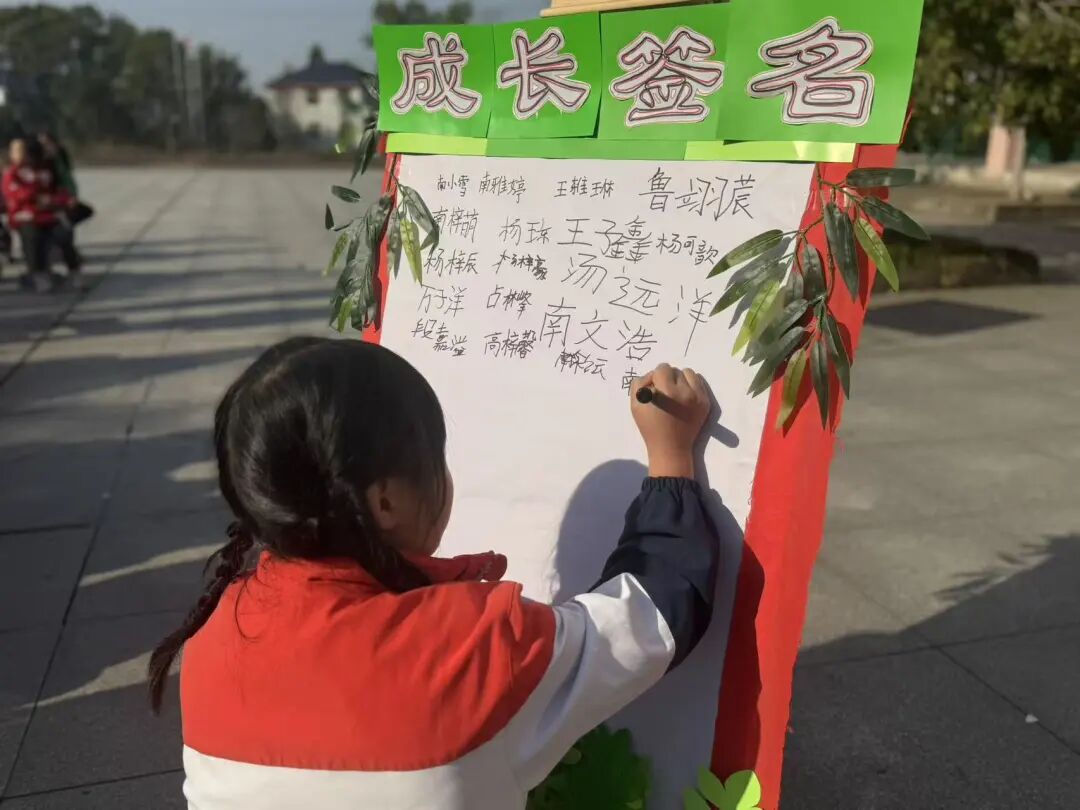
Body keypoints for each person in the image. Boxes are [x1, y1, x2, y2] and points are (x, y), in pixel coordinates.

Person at [148, 338, 719, 810]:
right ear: (386, 501)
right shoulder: (474, 647)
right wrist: (671, 459)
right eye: (436, 456)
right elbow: (651, 618)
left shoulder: (215, 636)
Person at [1, 138, 73, 292]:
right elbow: (16, 194)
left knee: (64, 232)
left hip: (46, 214)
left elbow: (59, 191)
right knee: (32, 236)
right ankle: (36, 273)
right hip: (24, 217)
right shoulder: (13, 173)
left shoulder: (46, 171)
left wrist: (58, 200)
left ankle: (72, 267)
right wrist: (37, 197)